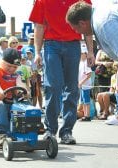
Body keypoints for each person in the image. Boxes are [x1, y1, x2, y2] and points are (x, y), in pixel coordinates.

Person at [66, 1, 118, 158]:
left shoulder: (104, 22)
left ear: (83, 23)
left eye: (75, 28)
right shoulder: (100, 15)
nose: (77, 32)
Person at [29, 0, 94, 145]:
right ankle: (50, 130)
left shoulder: (83, 1)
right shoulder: (42, 1)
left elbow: (88, 27)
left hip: (73, 45)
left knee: (72, 88)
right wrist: (37, 52)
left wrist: (90, 51)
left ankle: (66, 132)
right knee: (53, 86)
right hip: (51, 44)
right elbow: (39, 26)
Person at [0, 48, 25, 148]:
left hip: (12, 104)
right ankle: (0, 134)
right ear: (3, 62)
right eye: (9, 66)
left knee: (25, 105)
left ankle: (25, 131)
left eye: (14, 67)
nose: (11, 69)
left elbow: (20, 85)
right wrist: (0, 91)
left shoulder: (16, 75)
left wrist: (23, 91)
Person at [78, 42, 93, 121]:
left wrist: (81, 82)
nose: (80, 55)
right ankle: (85, 115)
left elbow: (89, 74)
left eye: (82, 53)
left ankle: (87, 115)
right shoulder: (80, 63)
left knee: (86, 100)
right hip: (82, 85)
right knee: (83, 100)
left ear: (85, 54)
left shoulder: (86, 63)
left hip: (86, 85)